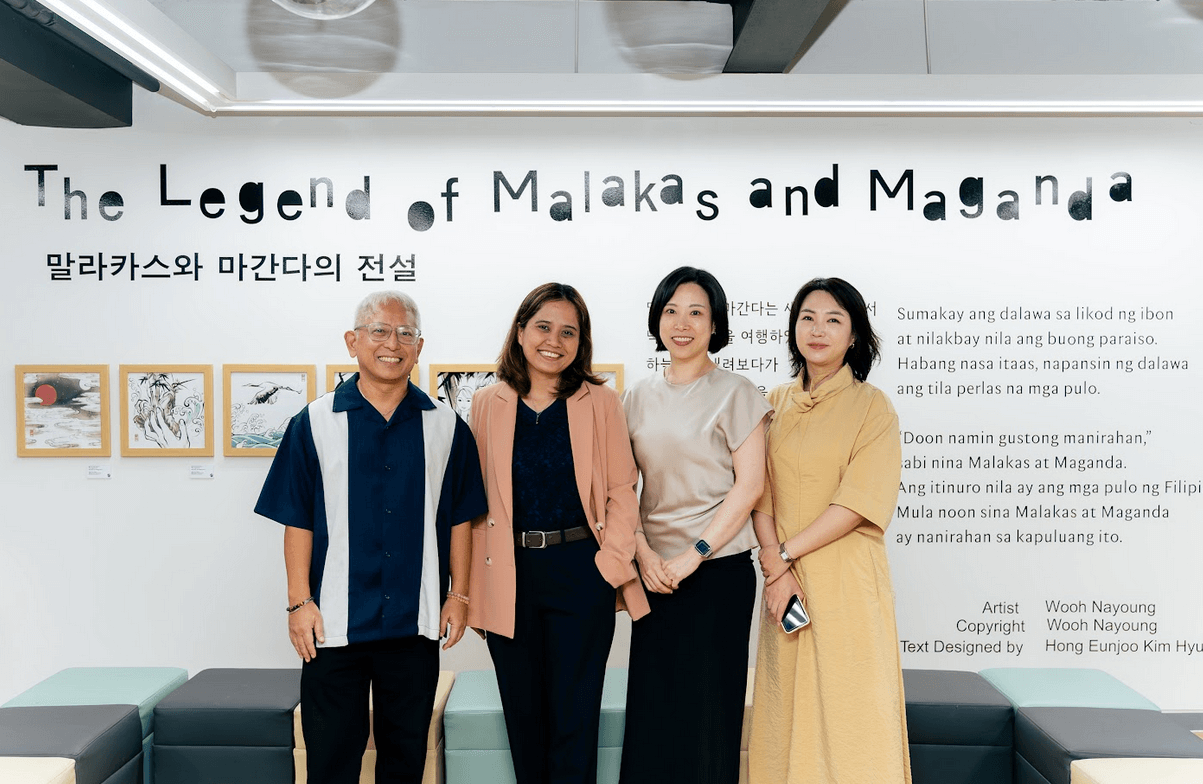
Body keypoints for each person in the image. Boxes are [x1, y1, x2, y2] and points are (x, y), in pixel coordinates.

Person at [255, 291, 488, 784]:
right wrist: (299, 603)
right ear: (353, 341)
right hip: (332, 626)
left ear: (419, 347)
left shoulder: (446, 428)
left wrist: (459, 595)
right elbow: (297, 519)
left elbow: (460, 521)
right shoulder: (313, 424)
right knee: (330, 761)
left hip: (414, 622)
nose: (392, 343)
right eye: (379, 331)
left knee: (404, 761)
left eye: (405, 333)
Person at [467, 282, 648, 784]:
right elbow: (475, 502)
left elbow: (621, 489)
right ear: (521, 331)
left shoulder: (601, 402)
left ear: (581, 342)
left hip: (580, 571)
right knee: (524, 719)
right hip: (510, 573)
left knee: (575, 719)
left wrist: (609, 564)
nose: (554, 340)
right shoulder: (487, 402)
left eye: (569, 331)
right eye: (543, 327)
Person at [748, 277, 910, 784]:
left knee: (852, 704)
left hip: (844, 579)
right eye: (808, 318)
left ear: (855, 335)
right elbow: (758, 493)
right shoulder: (772, 402)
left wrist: (782, 557)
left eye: (834, 320)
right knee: (783, 701)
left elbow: (858, 504)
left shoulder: (872, 406)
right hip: (785, 583)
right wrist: (777, 567)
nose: (818, 330)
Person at [619, 266, 772, 784]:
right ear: (657, 319)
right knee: (653, 712)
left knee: (709, 714)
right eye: (671, 310)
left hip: (717, 574)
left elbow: (749, 487)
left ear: (715, 325)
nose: (681, 323)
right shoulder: (636, 397)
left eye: (696, 312)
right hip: (655, 575)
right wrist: (644, 554)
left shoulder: (738, 391)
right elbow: (622, 491)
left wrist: (695, 553)